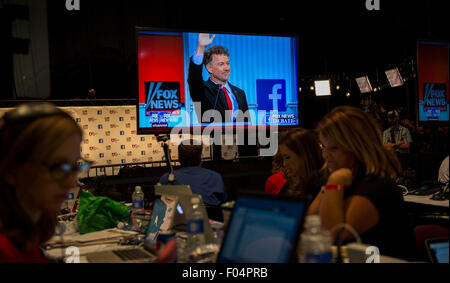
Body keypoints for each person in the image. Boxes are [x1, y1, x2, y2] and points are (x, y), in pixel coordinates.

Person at [307, 106, 416, 260]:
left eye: (333, 148)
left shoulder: (377, 188)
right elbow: (305, 225)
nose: (325, 155)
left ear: (357, 146)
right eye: (323, 147)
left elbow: (331, 237)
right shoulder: (341, 180)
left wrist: (334, 182)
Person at [0, 103, 91, 263]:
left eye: (75, 166)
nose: (71, 182)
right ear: (11, 169)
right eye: (58, 167)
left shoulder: (26, 236)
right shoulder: (4, 252)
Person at [188, 33, 250, 124]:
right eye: (221, 64)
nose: (226, 68)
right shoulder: (202, 90)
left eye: (227, 63)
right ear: (209, 68)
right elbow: (194, 78)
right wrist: (201, 48)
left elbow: (247, 125)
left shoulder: (240, 93)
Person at [159, 139, 227, 206]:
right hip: (210, 216)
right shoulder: (215, 177)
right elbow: (223, 202)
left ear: (179, 158)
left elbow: (162, 205)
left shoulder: (167, 179)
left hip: (179, 216)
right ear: (200, 158)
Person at [268, 129, 325, 196]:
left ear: (304, 156)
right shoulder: (289, 184)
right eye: (283, 159)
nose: (284, 164)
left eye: (287, 157)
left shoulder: (323, 186)